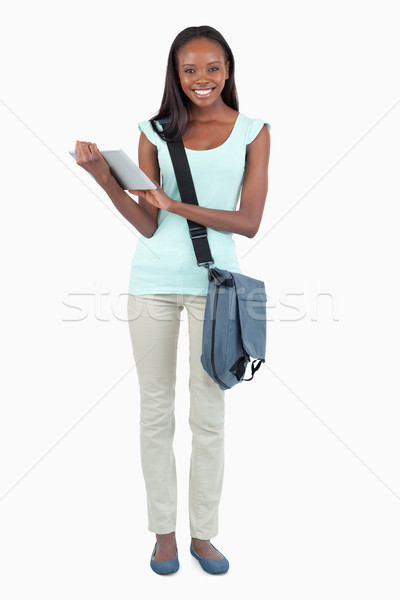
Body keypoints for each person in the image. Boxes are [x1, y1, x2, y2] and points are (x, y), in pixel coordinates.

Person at [74, 24, 271, 575]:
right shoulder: (154, 131)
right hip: (152, 282)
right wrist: (104, 180)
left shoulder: (253, 132)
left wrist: (176, 204)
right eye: (190, 69)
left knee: (209, 414)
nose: (202, 79)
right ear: (175, 74)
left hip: (219, 286)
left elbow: (249, 221)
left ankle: (203, 535)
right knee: (154, 411)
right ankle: (164, 535)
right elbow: (147, 221)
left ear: (228, 70)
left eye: (212, 68)